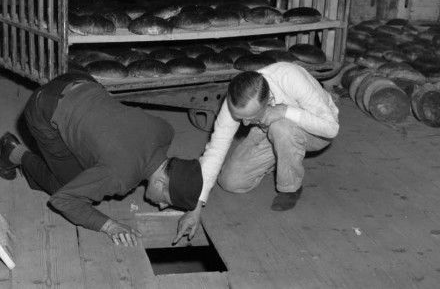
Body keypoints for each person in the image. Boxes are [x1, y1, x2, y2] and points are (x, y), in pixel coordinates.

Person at [0, 72, 202, 247]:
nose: (162, 206)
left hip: (78, 81)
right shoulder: (120, 177)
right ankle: (12, 152)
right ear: (160, 182)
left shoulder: (166, 131)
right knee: (64, 185)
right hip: (42, 108)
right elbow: (63, 200)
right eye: (166, 201)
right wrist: (109, 226)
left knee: (88, 159)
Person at [174, 62, 339, 243]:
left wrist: (284, 111)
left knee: (281, 128)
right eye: (239, 118)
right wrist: (195, 207)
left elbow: (331, 129)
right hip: (269, 127)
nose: (244, 125)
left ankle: (290, 188)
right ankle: (281, 155)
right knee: (230, 181)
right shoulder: (237, 98)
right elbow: (215, 150)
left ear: (268, 101)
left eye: (250, 118)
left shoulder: (289, 78)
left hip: (316, 130)